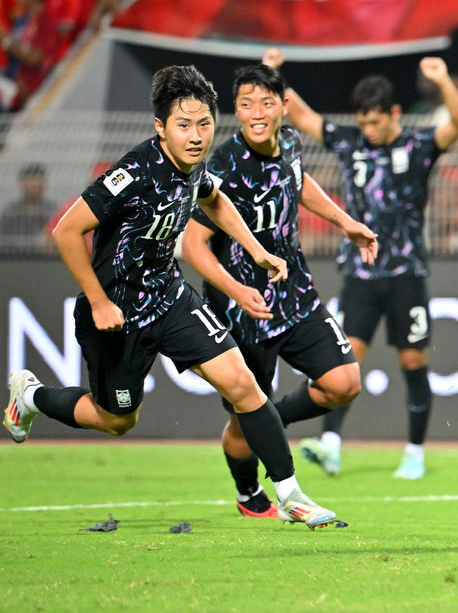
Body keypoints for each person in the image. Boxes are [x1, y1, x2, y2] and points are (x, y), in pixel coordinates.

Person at [3, 65, 340, 529]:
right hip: (118, 313)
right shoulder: (134, 172)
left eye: (204, 124)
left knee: (243, 384)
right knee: (117, 419)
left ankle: (290, 494)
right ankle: (34, 397)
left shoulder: (195, 163)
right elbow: (66, 231)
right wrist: (99, 302)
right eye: (184, 125)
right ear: (160, 127)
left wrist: (257, 251)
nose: (197, 135)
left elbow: (215, 198)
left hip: (170, 298)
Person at [181, 63, 378, 519]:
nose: (256, 112)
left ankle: (274, 418)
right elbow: (193, 244)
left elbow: (297, 183)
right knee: (242, 417)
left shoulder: (290, 142)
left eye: (266, 103)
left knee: (343, 383)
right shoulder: (223, 166)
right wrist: (234, 289)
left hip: (294, 294)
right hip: (242, 311)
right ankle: (249, 492)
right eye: (246, 104)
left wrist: (345, 223)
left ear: (283, 107)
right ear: (235, 109)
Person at [263, 50, 458, 479]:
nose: (370, 130)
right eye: (364, 122)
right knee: (345, 363)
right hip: (359, 274)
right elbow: (299, 113)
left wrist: (443, 79)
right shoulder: (349, 140)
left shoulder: (418, 145)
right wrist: (272, 75)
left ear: (395, 113)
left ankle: (414, 451)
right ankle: (331, 444)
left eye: (376, 121)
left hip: (405, 273)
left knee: (412, 361)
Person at [0, 163, 57, 254]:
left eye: (40, 180)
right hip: (14, 259)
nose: (36, 184)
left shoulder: (53, 211)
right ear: (22, 184)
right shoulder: (10, 212)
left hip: (45, 260)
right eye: (32, 180)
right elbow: (4, 239)